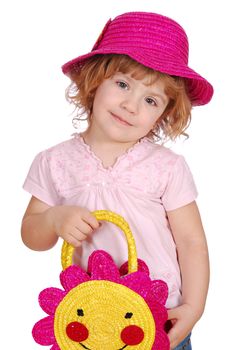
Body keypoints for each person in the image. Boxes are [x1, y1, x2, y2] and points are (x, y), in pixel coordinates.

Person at [21, 11, 213, 350]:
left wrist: (193, 308)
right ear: (95, 80)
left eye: (150, 100)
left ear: (163, 114)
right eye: (123, 84)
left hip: (159, 315)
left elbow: (191, 242)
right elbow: (32, 236)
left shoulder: (167, 166)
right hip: (89, 320)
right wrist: (52, 218)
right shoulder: (54, 162)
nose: (130, 105)